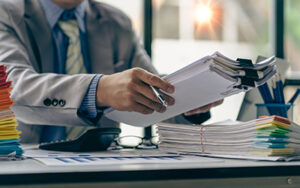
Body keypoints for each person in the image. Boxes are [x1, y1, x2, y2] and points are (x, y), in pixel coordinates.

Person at [0, 0, 222, 143]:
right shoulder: (6, 13)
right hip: (23, 166)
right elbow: (11, 91)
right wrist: (99, 90)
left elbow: (154, 96)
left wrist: (190, 103)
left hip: (104, 169)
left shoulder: (116, 22)